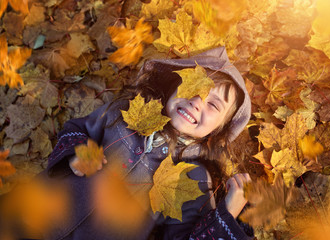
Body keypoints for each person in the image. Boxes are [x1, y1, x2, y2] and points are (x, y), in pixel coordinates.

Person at [42, 47, 253, 240]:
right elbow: (77, 129)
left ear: (219, 130)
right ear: (174, 84)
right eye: (193, 86)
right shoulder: (124, 112)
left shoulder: (192, 177)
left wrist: (228, 214)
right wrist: (76, 153)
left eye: (214, 105)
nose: (197, 102)